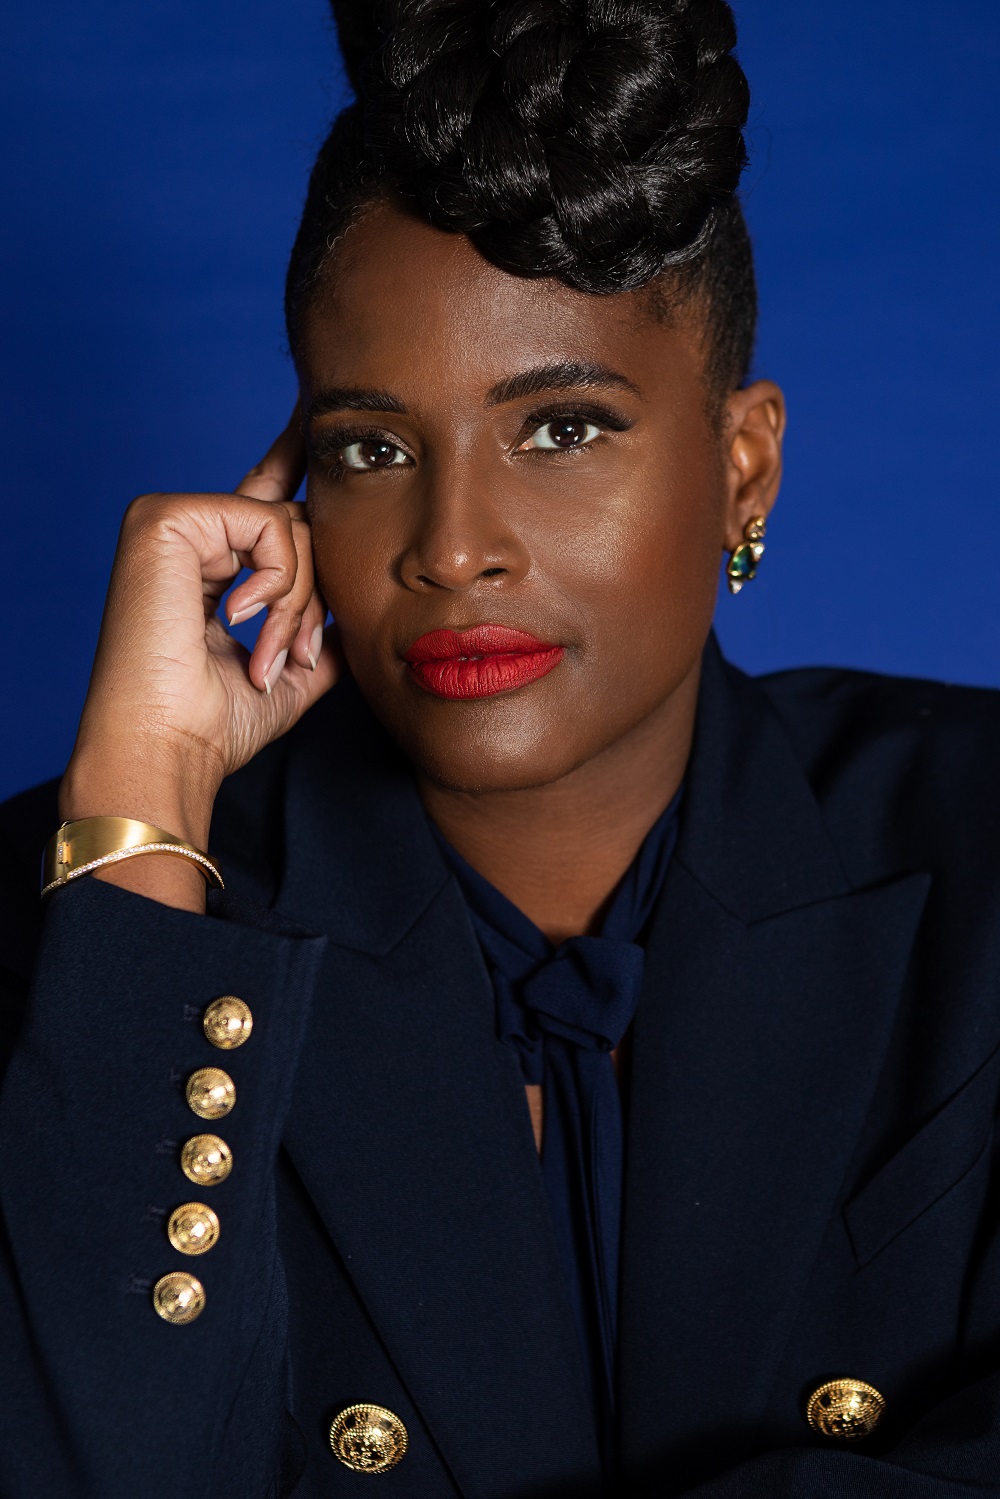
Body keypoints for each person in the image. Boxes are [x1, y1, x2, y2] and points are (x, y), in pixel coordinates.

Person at [2, 0, 999, 1494]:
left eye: (562, 429)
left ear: (744, 469)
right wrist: (142, 813)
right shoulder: (94, 937)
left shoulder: (975, 842)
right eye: (372, 448)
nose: (453, 546)